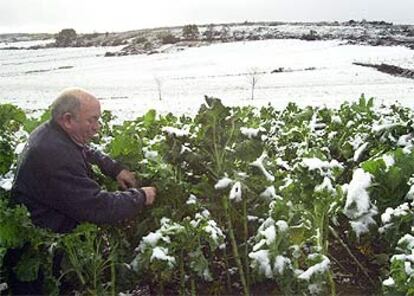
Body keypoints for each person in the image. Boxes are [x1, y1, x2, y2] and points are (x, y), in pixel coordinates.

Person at [7, 87, 156, 293]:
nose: (97, 128)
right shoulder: (53, 153)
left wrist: (114, 169)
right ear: (68, 119)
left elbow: (84, 149)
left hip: (48, 244)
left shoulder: (54, 133)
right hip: (39, 260)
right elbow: (97, 207)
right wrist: (141, 196)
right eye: (92, 120)